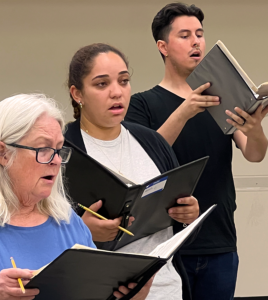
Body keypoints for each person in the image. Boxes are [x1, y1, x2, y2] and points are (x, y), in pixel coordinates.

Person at [125, 3, 268, 300]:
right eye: (185, 35)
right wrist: (184, 111)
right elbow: (141, 160)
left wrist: (254, 128)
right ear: (163, 46)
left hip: (220, 240)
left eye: (200, 35)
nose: (196, 42)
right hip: (165, 245)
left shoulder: (222, 97)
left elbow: (255, 154)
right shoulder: (143, 103)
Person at [0, 93, 153, 300]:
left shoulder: (68, 221)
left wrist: (129, 296)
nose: (56, 160)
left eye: (58, 150)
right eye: (44, 149)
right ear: (3, 154)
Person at [64, 43, 200, 300]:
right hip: (102, 292)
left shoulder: (152, 142)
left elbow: (177, 233)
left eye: (124, 81)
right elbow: (41, 234)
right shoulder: (62, 153)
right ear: (77, 93)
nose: (117, 92)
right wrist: (82, 231)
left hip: (167, 289)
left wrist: (187, 217)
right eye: (102, 84)